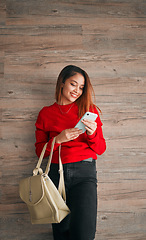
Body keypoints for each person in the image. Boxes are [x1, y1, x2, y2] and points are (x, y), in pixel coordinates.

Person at [35, 65, 106, 240]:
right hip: (55, 174)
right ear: (62, 82)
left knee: (84, 233)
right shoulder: (45, 113)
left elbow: (100, 149)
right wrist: (58, 139)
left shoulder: (89, 110)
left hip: (84, 174)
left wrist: (91, 133)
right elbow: (40, 151)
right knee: (61, 232)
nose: (77, 91)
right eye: (73, 84)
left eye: (81, 87)